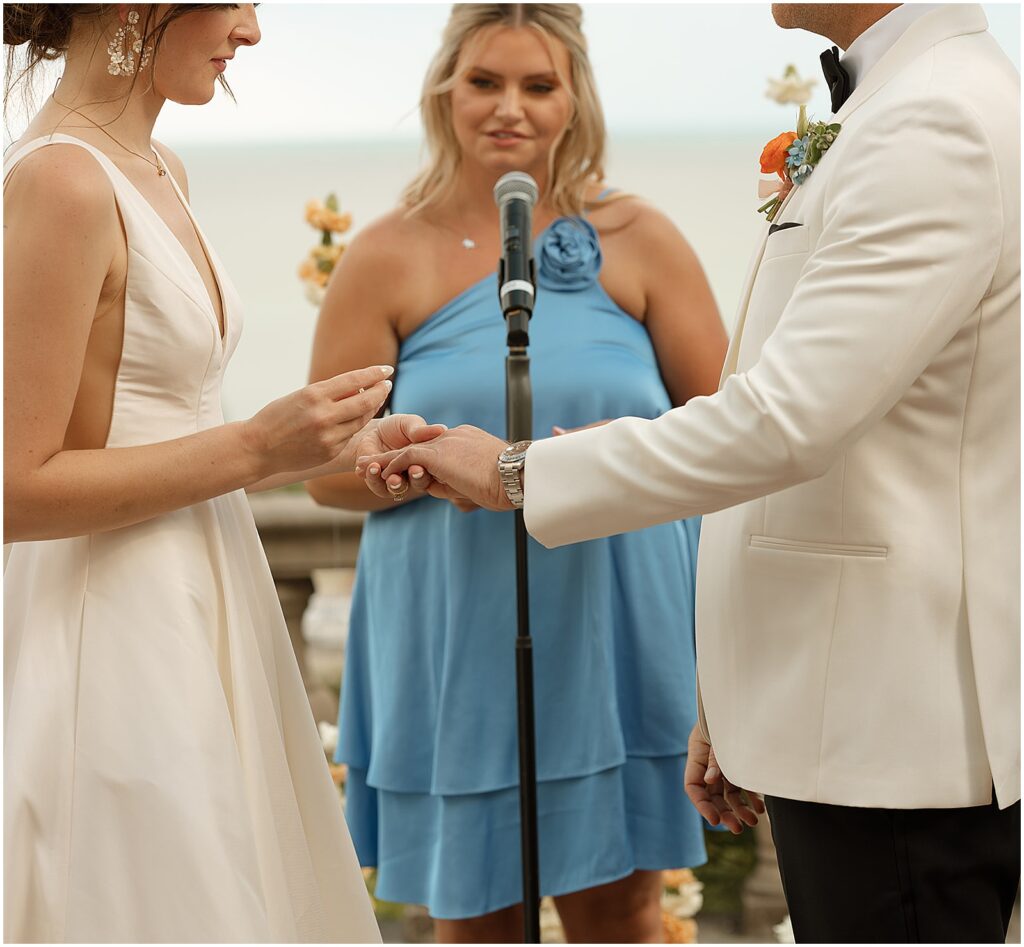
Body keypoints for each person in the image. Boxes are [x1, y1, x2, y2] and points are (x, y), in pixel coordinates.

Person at [358, 3, 1021, 942]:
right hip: (839, 700)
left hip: (889, 726)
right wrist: (734, 692)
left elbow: (778, 420)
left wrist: (516, 471)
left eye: (540, 83)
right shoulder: (900, 104)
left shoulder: (935, 120)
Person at [3, 5, 443, 941]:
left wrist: (328, 442)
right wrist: (255, 447)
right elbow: (15, 485)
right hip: (112, 632)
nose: (251, 31)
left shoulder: (160, 169)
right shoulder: (60, 184)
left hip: (207, 596)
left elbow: (162, 417)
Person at [307, 3, 727, 941]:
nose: (511, 109)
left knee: (623, 910)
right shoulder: (382, 255)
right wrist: (398, 463)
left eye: (539, 85)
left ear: (574, 98)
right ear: (443, 90)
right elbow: (324, 469)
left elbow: (729, 437)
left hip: (619, 613)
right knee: (475, 913)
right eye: (485, 82)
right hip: (456, 620)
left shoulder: (642, 238)